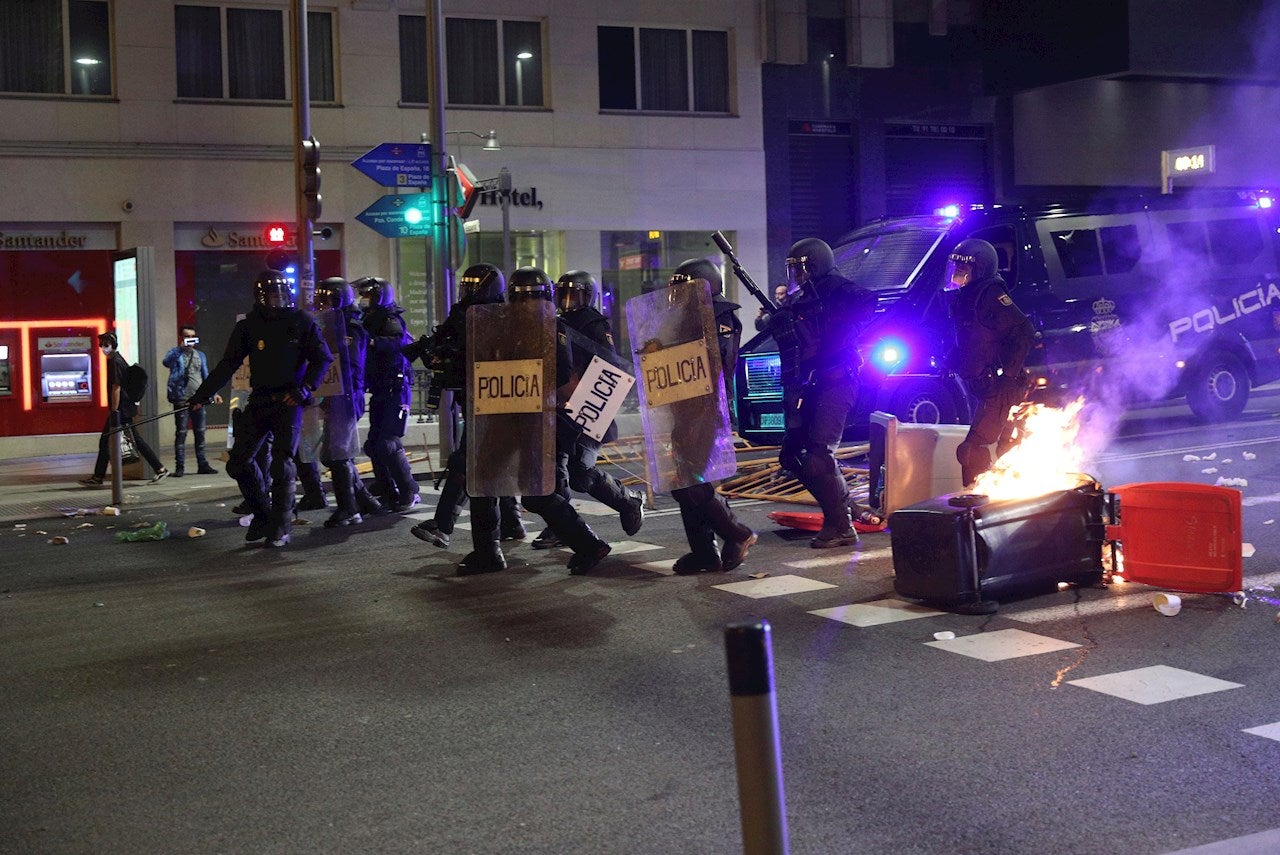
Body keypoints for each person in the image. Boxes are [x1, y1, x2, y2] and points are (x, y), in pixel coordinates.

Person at [186, 269, 332, 547]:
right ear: (261, 297)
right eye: (272, 295)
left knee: (282, 464)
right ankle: (263, 515)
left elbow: (321, 358)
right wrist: (202, 394)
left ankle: (281, 525)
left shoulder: (301, 321)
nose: (277, 300)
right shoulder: (249, 325)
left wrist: (304, 388)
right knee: (239, 462)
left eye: (281, 294)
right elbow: (228, 363)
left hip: (289, 400)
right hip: (261, 399)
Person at [764, 237, 877, 548]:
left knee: (818, 455)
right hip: (813, 383)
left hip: (840, 381)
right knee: (791, 455)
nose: (796, 276)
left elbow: (869, 302)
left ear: (814, 267)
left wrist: (830, 317)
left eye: (799, 269)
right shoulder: (803, 300)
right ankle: (843, 510)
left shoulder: (837, 289)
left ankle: (840, 525)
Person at [405, 264, 526, 551]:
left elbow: (484, 355)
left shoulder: (498, 317)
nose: (469, 291)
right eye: (467, 285)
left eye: (476, 286)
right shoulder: (461, 313)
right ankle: (511, 522)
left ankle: (443, 525)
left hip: (493, 399)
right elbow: (445, 344)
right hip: (470, 395)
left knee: (465, 460)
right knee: (492, 463)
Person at [526, 269, 643, 549]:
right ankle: (560, 526)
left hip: (588, 404)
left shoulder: (594, 323)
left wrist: (582, 395)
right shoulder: (553, 322)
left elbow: (608, 364)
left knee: (581, 472)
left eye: (574, 294)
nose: (568, 300)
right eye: (563, 294)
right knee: (555, 468)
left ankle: (628, 500)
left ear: (587, 296)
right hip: (559, 403)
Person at [508, 266, 613, 576]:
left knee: (544, 489)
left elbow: (566, 373)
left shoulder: (555, 328)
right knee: (540, 490)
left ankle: (589, 542)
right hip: (532, 419)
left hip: (556, 418)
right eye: (518, 299)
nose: (523, 306)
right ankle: (583, 542)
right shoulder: (518, 329)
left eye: (530, 299)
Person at [662, 258, 758, 575]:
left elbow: (717, 361)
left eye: (684, 288)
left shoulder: (720, 316)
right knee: (683, 483)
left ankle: (737, 533)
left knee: (693, 482)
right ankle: (704, 552)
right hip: (684, 408)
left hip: (707, 409)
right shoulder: (682, 319)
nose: (677, 295)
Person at [944, 238, 1035, 486]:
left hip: (1000, 387)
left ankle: (978, 504)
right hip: (985, 386)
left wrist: (1007, 377)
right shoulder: (968, 297)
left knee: (972, 450)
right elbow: (972, 338)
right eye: (956, 269)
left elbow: (1024, 331)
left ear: (981, 269)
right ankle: (1009, 495)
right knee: (1008, 444)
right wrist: (950, 362)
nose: (958, 275)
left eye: (964, 270)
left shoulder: (991, 296)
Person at [354, 277, 421, 513]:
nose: (363, 300)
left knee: (387, 442)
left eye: (367, 296)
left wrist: (372, 342)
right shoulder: (367, 319)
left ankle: (409, 491)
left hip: (396, 388)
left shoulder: (390, 319)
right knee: (374, 444)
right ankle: (386, 489)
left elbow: (396, 342)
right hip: (381, 388)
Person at [312, 277, 371, 528]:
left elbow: (349, 363)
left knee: (337, 453)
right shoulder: (329, 326)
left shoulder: (351, 328)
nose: (321, 304)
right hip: (334, 394)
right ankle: (365, 501)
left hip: (347, 395)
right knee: (332, 454)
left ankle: (349, 509)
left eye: (326, 300)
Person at [79, 331, 170, 486]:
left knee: (106, 441)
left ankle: (98, 478)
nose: (102, 347)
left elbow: (116, 388)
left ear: (113, 344)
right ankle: (160, 469)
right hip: (124, 408)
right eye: (101, 344)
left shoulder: (115, 361)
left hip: (121, 409)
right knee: (134, 441)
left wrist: (114, 412)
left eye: (106, 344)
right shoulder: (116, 359)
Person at [162, 325, 221, 477]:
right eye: (187, 337)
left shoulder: (200, 355)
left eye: (193, 336)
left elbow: (206, 375)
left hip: (199, 399)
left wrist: (214, 393)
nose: (190, 340)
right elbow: (166, 362)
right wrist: (178, 349)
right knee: (181, 433)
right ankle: (179, 467)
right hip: (181, 399)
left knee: (200, 433)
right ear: (181, 338)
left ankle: (203, 464)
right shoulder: (175, 354)